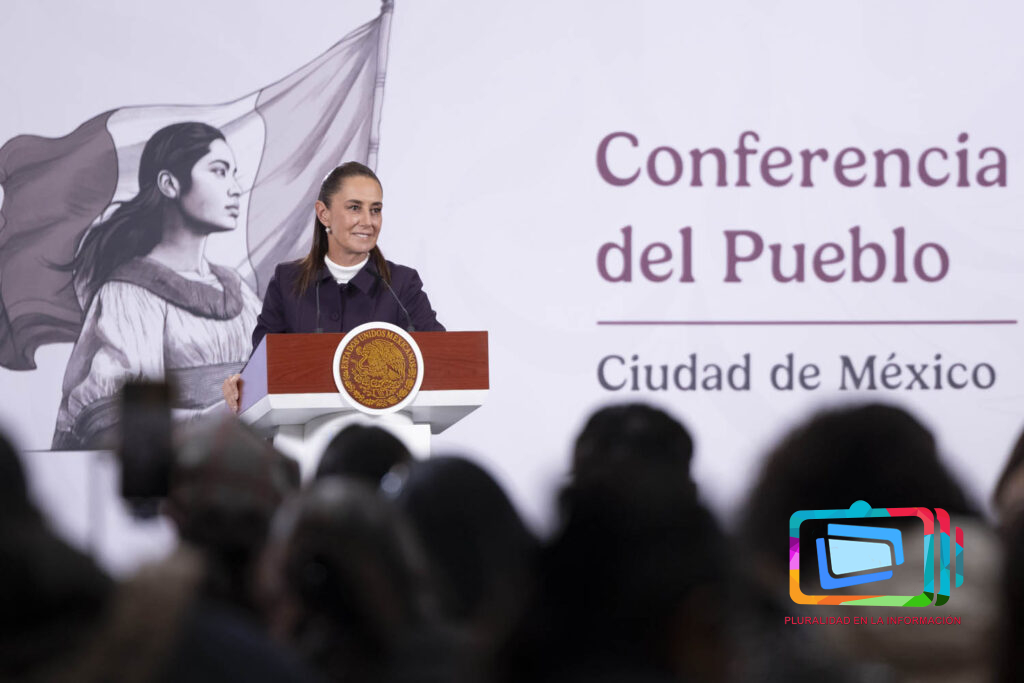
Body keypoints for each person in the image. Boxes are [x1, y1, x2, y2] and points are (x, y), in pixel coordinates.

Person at [52, 122, 261, 449]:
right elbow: (113, 424)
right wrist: (217, 419)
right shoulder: (130, 293)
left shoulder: (239, 292)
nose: (235, 188)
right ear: (169, 184)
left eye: (234, 174)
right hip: (176, 472)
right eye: (219, 172)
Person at [222, 162, 444, 413]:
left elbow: (441, 359)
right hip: (303, 431)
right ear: (323, 213)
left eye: (375, 210)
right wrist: (240, 384)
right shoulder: (287, 281)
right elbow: (262, 364)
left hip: (382, 429)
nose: (368, 221)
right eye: (354, 208)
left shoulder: (401, 284)